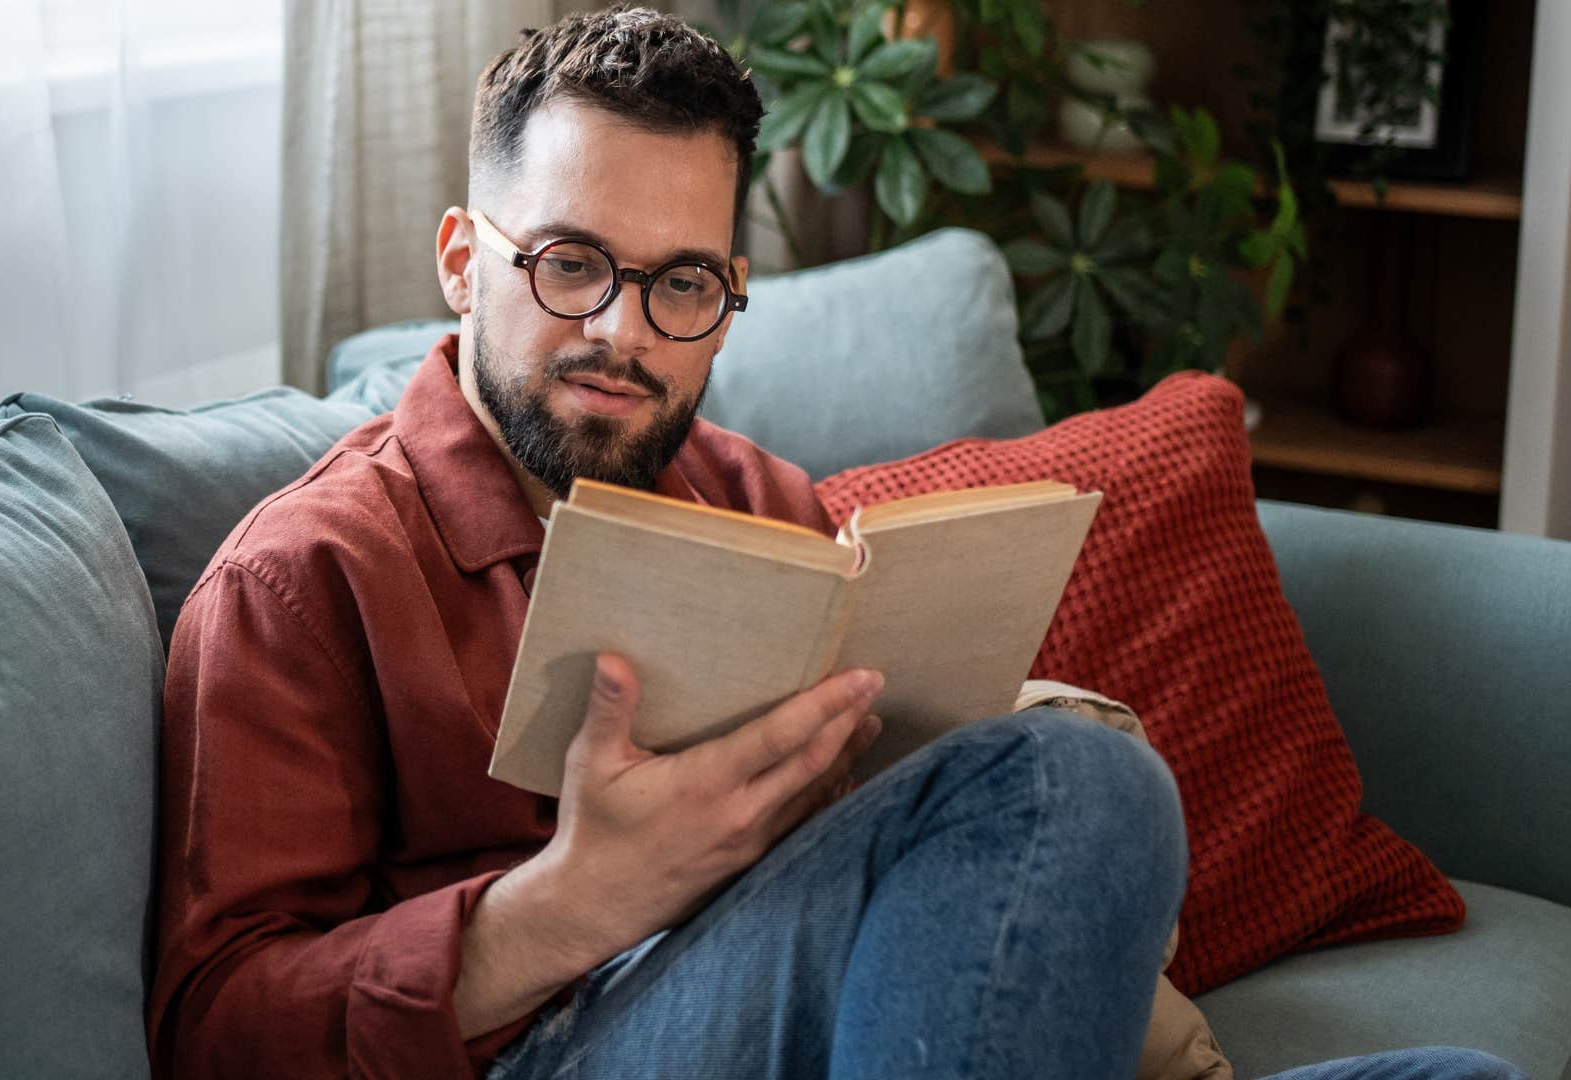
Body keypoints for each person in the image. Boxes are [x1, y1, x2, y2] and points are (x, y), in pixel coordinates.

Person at [148, 8, 1526, 1079]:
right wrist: (568, 902)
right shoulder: (303, 577)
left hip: (843, 1023)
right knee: (1065, 787)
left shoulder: (762, 502)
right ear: (464, 259)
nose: (623, 334)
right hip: (552, 1047)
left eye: (683, 283)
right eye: (571, 263)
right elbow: (215, 1034)